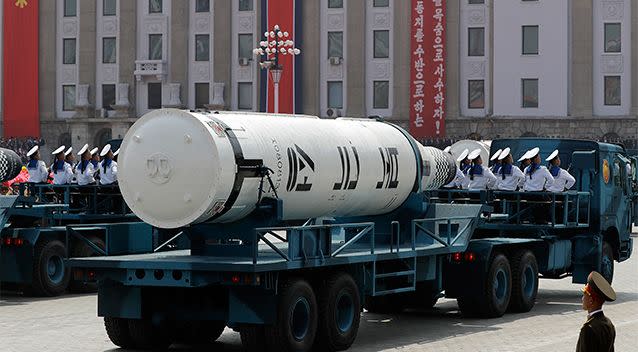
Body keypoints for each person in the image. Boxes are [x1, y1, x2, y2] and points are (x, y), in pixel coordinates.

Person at [576, 271, 616, 352]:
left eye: (584, 295)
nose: (582, 299)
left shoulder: (588, 329)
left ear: (591, 301)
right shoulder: (608, 323)